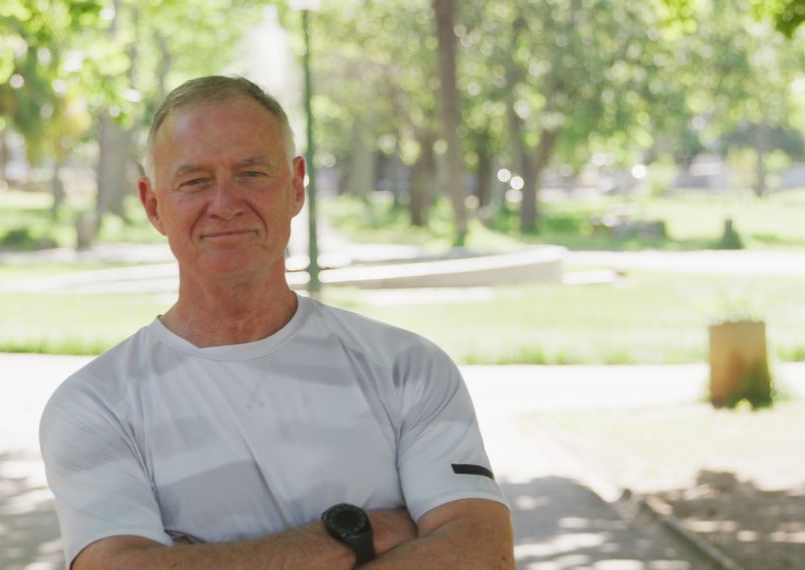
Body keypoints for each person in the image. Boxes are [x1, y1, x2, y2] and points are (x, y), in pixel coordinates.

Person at [39, 75, 514, 569]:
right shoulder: (96, 405)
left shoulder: (408, 369)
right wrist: (357, 534)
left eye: (251, 173)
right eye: (195, 181)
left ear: (295, 186)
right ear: (153, 204)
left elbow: (483, 555)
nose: (224, 205)